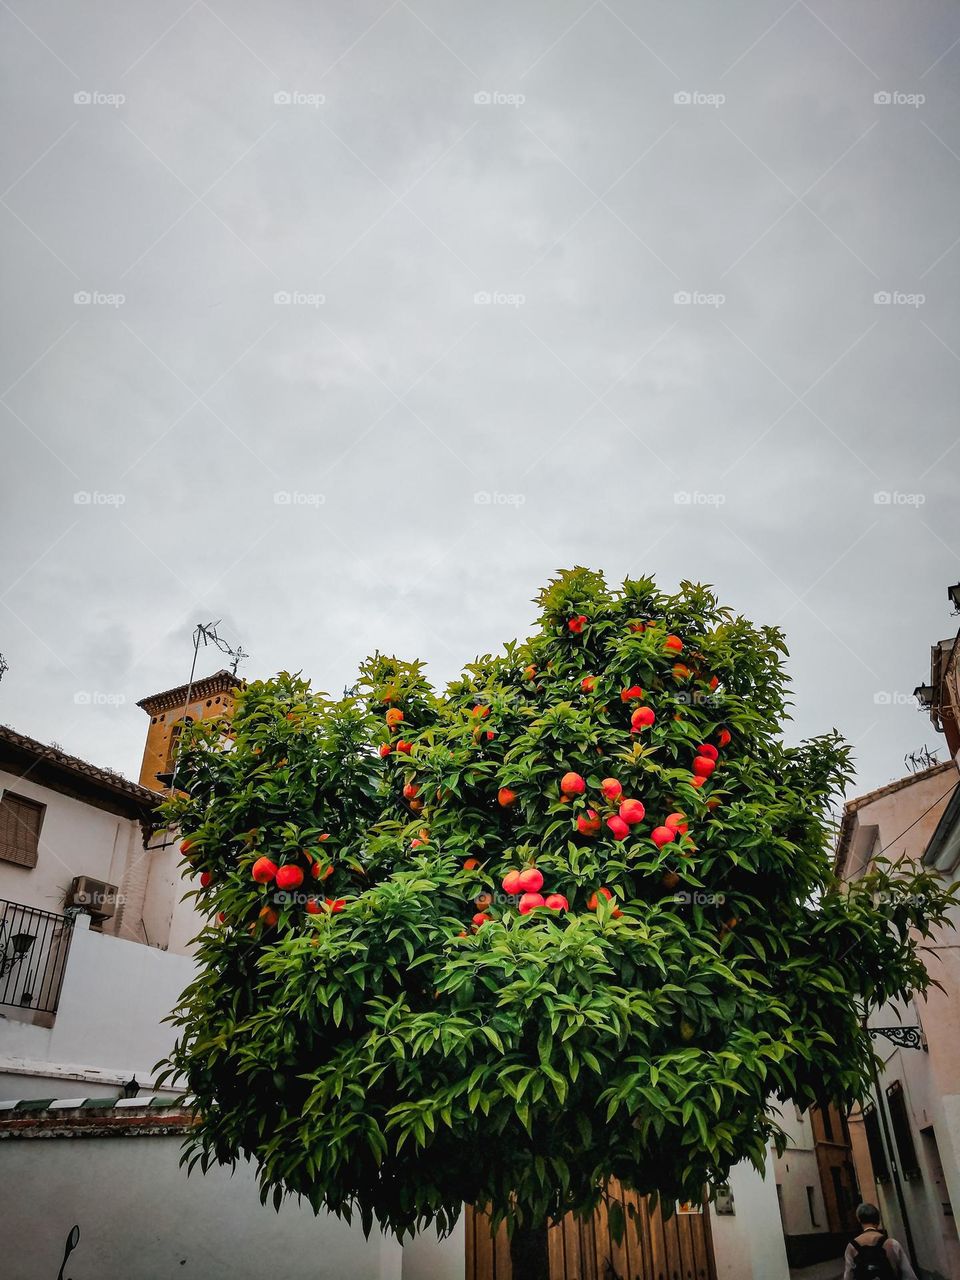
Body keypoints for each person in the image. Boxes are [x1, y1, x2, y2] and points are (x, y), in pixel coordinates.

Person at [842, 1202, 918, 1280]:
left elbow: (848, 1276)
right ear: (878, 1220)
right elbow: (909, 1275)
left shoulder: (852, 1247)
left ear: (859, 1219)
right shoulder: (892, 1244)